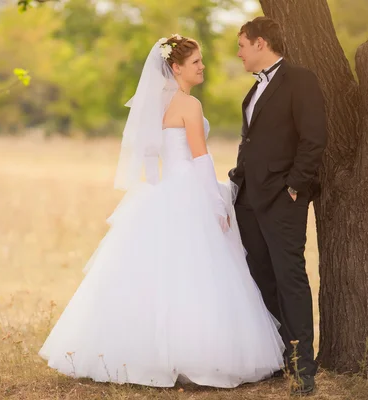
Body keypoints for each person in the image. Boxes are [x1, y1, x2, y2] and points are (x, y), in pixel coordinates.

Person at [39, 34, 284, 388]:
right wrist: (218, 203)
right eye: (196, 62)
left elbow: (152, 158)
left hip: (160, 190)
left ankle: (140, 355)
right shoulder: (190, 105)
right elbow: (201, 158)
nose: (202, 67)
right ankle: (195, 357)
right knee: (196, 273)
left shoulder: (152, 104)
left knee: (152, 273)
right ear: (175, 67)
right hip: (189, 189)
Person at [230, 17, 328, 395]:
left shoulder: (300, 80)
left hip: (283, 199)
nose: (238, 53)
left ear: (259, 43)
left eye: (241, 45)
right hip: (249, 200)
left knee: (290, 277)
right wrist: (237, 180)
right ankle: (277, 356)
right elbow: (251, 141)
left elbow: (314, 137)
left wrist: (294, 187)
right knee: (260, 276)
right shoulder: (252, 90)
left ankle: (304, 368)